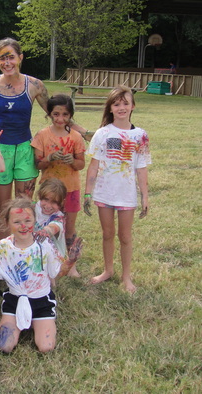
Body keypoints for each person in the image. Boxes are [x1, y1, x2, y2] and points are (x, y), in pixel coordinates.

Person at [0, 37, 88, 239]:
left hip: (25, 150)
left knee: (24, 208)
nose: (7, 63)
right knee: (5, 209)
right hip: (1, 151)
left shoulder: (34, 85)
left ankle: (26, 250)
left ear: (20, 57)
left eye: (11, 57)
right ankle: (4, 253)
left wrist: (85, 133)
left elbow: (57, 113)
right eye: (2, 58)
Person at [0, 198, 83, 353]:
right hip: (15, 300)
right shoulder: (4, 247)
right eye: (17, 222)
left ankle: (38, 321)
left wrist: (70, 261)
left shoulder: (44, 245)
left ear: (35, 221)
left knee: (46, 347)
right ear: (7, 223)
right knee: (4, 346)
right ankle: (22, 321)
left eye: (28, 220)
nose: (23, 226)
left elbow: (57, 273)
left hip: (41, 301)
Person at [84, 86, 151, 293]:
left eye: (125, 103)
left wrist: (145, 197)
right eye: (116, 103)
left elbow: (141, 169)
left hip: (127, 195)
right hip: (105, 193)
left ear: (133, 106)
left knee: (125, 236)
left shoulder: (141, 136)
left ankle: (126, 276)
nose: (121, 107)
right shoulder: (102, 133)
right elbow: (93, 166)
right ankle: (108, 270)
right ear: (110, 108)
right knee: (107, 233)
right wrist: (88, 192)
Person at [31, 94, 85, 277]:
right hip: (49, 191)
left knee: (68, 227)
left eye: (65, 115)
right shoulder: (42, 135)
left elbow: (81, 164)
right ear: (49, 114)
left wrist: (72, 161)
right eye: (56, 114)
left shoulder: (76, 137)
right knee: (45, 224)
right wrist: (49, 158)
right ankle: (44, 258)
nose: (60, 119)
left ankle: (71, 264)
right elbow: (37, 164)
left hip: (70, 189)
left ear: (70, 116)